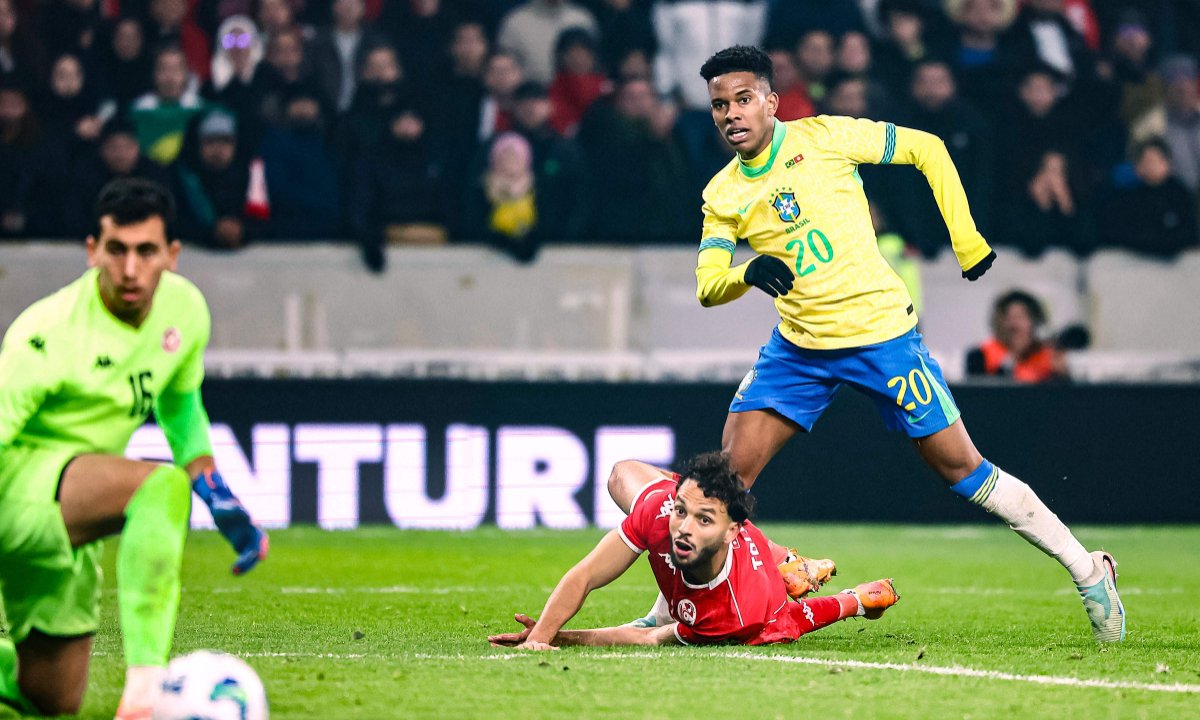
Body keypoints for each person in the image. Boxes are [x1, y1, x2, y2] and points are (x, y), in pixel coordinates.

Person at [690, 45, 1123, 644]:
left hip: (883, 338)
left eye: (743, 99)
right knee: (721, 483)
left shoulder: (827, 137)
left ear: (771, 101)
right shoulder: (722, 193)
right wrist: (747, 273)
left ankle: (1089, 570)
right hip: (800, 349)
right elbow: (708, 286)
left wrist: (967, 240)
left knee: (963, 470)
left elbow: (928, 148)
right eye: (720, 105)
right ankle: (676, 609)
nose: (732, 114)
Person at [0, 178, 267, 718]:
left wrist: (214, 490)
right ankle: (146, 691)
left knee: (50, 697)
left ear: (172, 255)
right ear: (92, 251)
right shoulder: (47, 332)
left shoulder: (185, 311)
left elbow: (179, 405)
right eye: (116, 250)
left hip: (69, 517)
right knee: (161, 486)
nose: (129, 269)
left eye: (146, 251)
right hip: (15, 491)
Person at [489, 452, 893, 649]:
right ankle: (787, 559)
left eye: (702, 518)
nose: (683, 527)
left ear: (730, 532)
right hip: (698, 561)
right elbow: (585, 575)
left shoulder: (733, 613)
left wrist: (562, 638)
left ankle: (849, 595)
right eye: (681, 510)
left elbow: (647, 639)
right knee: (620, 474)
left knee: (779, 626)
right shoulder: (662, 513)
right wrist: (539, 635)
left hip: (740, 600)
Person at [965, 290, 1068, 382]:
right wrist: (1010, 360)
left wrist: (1061, 374)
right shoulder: (980, 356)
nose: (1014, 325)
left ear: (1034, 322)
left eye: (1021, 317)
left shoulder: (1049, 358)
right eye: (1009, 318)